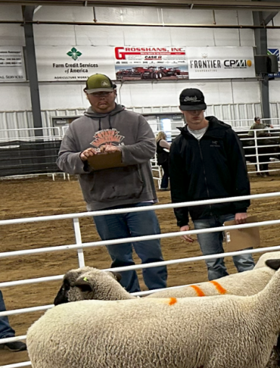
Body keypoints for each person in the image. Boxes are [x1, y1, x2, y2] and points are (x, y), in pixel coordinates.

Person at [56, 73, 167, 293]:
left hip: (139, 198)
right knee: (120, 259)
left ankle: (158, 295)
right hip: (101, 202)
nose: (102, 98)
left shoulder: (135, 120)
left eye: (106, 93)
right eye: (96, 94)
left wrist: (121, 151)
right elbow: (62, 160)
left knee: (151, 253)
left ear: (115, 93)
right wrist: (81, 157)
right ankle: (128, 298)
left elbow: (149, 148)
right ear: (87, 95)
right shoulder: (76, 127)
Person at [170, 88, 255, 279]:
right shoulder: (178, 145)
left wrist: (241, 207)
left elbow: (239, 170)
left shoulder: (226, 134)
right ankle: (220, 299)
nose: (195, 113)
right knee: (213, 265)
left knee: (244, 261)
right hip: (200, 214)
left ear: (204, 108)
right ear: (181, 110)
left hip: (231, 210)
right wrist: (182, 220)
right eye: (190, 110)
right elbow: (178, 184)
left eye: (198, 109)